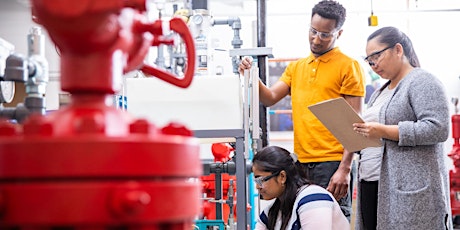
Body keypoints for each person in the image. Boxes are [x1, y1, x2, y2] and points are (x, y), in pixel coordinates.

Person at [239, 0, 365, 220]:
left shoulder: (348, 66)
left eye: (325, 34)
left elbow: (356, 125)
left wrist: (344, 168)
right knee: (303, 221)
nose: (316, 39)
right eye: (313, 31)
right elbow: (269, 98)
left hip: (332, 163)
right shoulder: (296, 67)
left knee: (332, 221)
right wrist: (251, 74)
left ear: (339, 33)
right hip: (301, 163)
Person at [353, 26, 453, 229]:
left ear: (398, 49)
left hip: (406, 190)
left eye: (376, 56)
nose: (373, 64)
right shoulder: (379, 92)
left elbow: (438, 128)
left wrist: (383, 131)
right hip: (372, 182)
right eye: (369, 60)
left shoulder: (422, 81)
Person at [252, 145, 349, 230]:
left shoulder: (314, 198)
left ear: (282, 177)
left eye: (261, 180)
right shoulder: (271, 213)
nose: (257, 187)